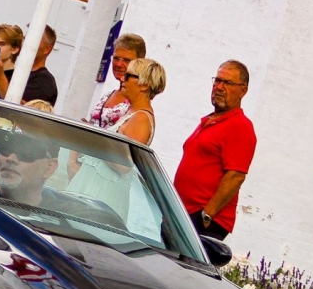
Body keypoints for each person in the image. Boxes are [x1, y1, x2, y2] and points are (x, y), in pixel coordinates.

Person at [66, 58, 166, 217]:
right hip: (97, 190)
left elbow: (123, 164)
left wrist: (95, 137)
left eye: (128, 76)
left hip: (103, 195)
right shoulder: (132, 113)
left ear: (144, 85)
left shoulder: (141, 118)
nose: (122, 79)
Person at [173, 60, 257, 240]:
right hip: (183, 213)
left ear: (243, 90)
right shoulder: (210, 120)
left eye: (228, 83)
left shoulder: (240, 126)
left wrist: (207, 215)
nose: (219, 87)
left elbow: (235, 176)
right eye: (217, 80)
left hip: (204, 220)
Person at [67, 33, 146, 180]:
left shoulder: (136, 105)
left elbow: (125, 162)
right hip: (83, 169)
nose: (119, 64)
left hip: (107, 178)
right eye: (116, 58)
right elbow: (87, 130)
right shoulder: (108, 95)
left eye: (126, 60)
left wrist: (95, 138)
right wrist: (72, 163)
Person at [0, 24, 59, 106]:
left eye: (33, 40)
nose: (26, 43)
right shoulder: (10, 75)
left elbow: (17, 109)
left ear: (47, 49)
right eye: (25, 38)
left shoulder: (44, 81)